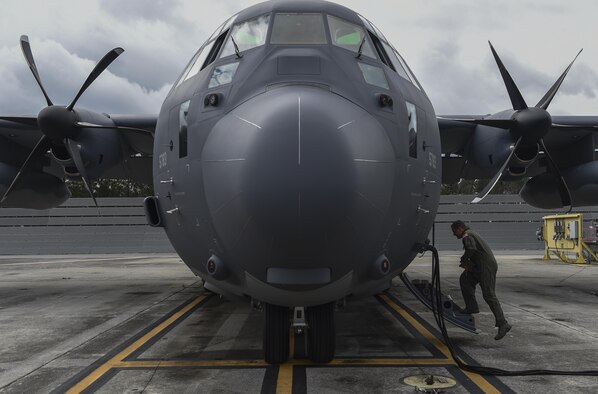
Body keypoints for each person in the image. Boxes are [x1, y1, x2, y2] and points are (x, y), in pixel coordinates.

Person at [451, 220, 512, 340]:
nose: (454, 234)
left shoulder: (467, 235)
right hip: (479, 266)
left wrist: (464, 260)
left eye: (454, 231)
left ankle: (503, 323)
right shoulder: (470, 233)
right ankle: (472, 307)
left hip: (485, 266)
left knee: (489, 295)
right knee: (465, 279)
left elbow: (471, 249)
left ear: (460, 228)